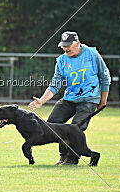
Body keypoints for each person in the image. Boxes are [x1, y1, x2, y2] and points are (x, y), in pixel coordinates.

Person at [28, 31, 111, 165]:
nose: (66, 49)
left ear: (77, 43)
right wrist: (41, 101)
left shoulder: (92, 54)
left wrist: (103, 101)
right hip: (69, 99)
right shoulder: (61, 60)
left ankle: (72, 159)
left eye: (68, 45)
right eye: (63, 46)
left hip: (89, 99)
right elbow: (55, 84)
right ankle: (63, 156)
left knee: (75, 128)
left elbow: (105, 78)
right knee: (53, 124)